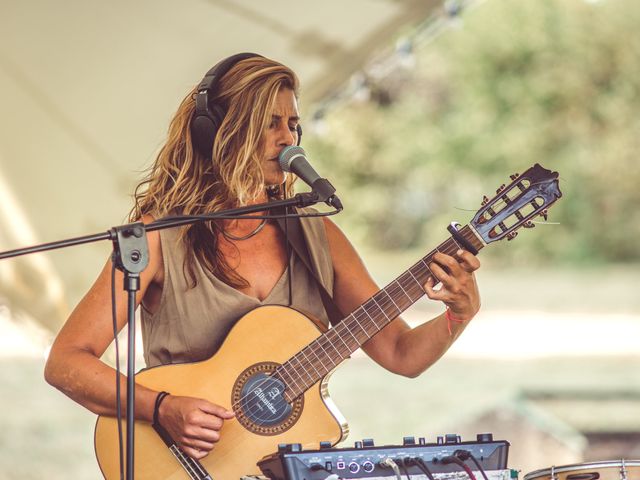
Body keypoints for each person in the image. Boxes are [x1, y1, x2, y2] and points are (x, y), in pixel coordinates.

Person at [44, 53, 481, 462]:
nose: (288, 138)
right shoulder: (160, 237)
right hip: (190, 463)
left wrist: (458, 316)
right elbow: (67, 362)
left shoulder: (317, 234)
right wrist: (162, 408)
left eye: (293, 124)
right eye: (270, 123)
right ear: (217, 131)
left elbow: (401, 353)